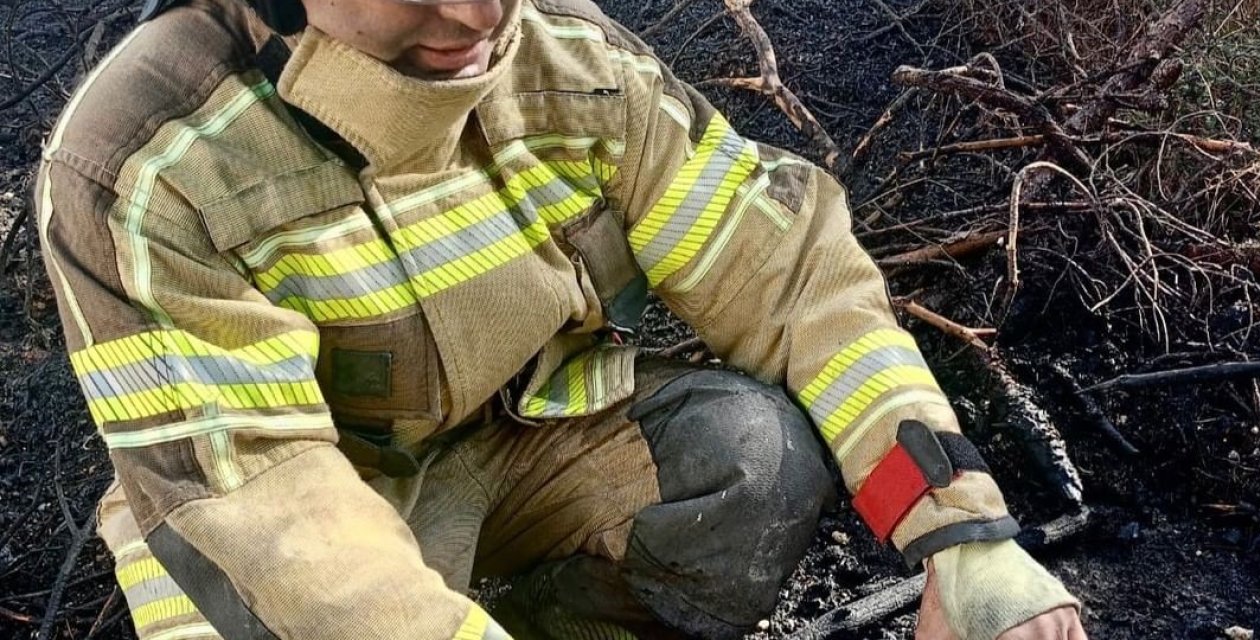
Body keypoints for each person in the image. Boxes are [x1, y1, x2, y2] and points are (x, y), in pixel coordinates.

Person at [35, 0, 1087, 638]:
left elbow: (793, 282)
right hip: (296, 520)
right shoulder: (141, 163)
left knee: (751, 453)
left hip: (521, 447)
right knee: (249, 593)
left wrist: (964, 534)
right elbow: (275, 507)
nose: (476, 18)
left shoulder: (571, 63)